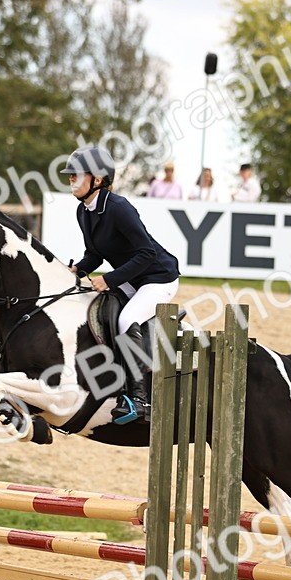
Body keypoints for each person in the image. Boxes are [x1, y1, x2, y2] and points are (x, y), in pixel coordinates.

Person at [63, 145, 180, 424]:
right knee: (99, 310)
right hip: (131, 279)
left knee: (127, 319)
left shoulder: (119, 208)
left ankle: (138, 399)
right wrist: (77, 269)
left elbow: (147, 253)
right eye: (70, 176)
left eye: (77, 175)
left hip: (157, 278)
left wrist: (109, 279)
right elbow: (96, 253)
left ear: (98, 180)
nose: (71, 180)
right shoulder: (84, 210)